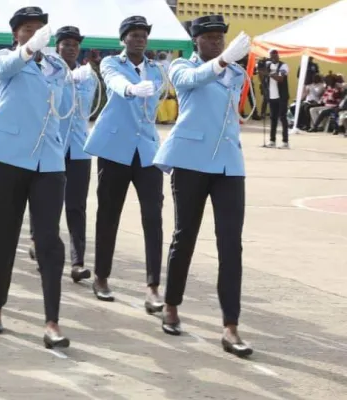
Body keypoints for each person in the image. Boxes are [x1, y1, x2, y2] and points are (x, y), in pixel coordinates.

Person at [153, 15, 253, 358]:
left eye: (220, 39)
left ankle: (230, 325)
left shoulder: (237, 74)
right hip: (191, 160)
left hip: (228, 163)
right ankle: (171, 304)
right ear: (196, 41)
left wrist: (230, 64)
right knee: (186, 236)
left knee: (231, 244)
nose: (216, 43)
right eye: (208, 39)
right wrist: (221, 61)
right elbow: (193, 81)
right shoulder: (183, 66)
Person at [0, 6, 70, 348]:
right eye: (28, 29)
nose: (35, 34)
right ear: (16, 33)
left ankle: (52, 321)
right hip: (10, 157)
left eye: (40, 29)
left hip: (49, 160)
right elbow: (5, 67)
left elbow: (64, 111)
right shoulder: (6, 58)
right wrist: (29, 49)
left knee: (49, 240)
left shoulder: (57, 66)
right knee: (4, 233)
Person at [83, 16, 166, 312]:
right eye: (133, 34)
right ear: (123, 39)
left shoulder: (157, 69)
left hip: (146, 151)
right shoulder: (111, 63)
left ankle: (154, 286)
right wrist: (131, 89)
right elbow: (115, 83)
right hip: (115, 150)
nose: (140, 38)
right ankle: (101, 276)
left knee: (153, 217)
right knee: (109, 214)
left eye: (144, 34)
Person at [54, 25, 97, 282]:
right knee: (49, 203)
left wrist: (80, 81)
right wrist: (65, 81)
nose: (70, 48)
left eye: (74, 44)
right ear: (57, 47)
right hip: (52, 146)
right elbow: (54, 104)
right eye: (66, 44)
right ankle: (39, 240)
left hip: (79, 148)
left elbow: (86, 108)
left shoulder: (87, 75)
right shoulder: (49, 71)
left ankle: (77, 261)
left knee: (76, 206)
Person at [263, 49, 289, 148]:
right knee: (273, 119)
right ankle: (272, 140)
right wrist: (262, 69)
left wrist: (269, 74)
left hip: (281, 96)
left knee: (283, 118)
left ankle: (285, 142)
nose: (274, 57)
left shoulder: (283, 66)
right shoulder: (268, 65)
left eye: (275, 55)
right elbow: (262, 77)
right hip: (272, 96)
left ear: (278, 56)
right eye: (272, 55)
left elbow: (280, 78)